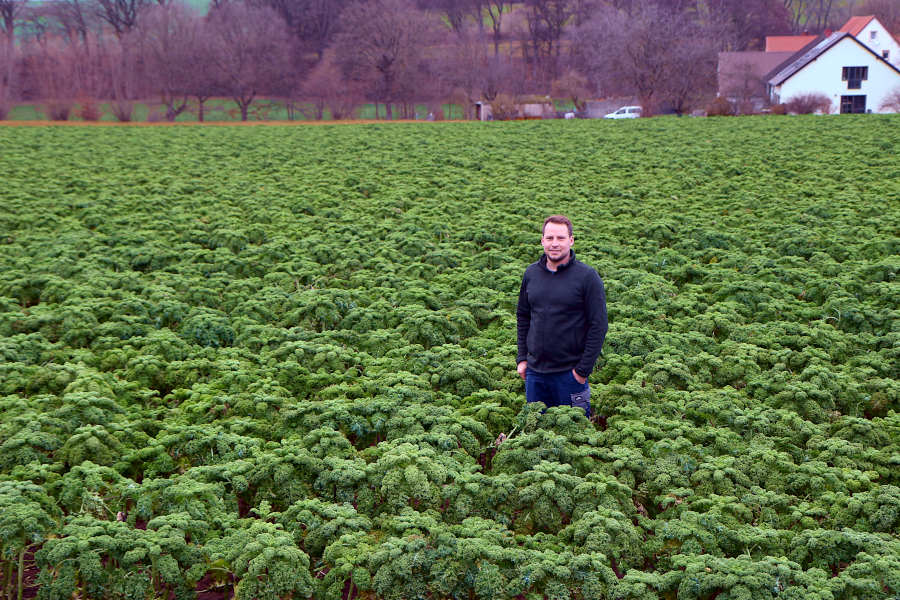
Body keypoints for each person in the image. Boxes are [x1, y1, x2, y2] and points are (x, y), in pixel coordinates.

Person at [516, 215, 608, 417]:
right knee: (536, 435)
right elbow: (523, 316)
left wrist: (582, 372)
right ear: (542, 241)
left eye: (560, 238)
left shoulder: (587, 277)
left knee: (576, 437)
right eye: (549, 238)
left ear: (571, 240)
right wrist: (522, 359)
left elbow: (599, 325)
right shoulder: (531, 274)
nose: (554, 244)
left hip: (570, 376)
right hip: (535, 375)